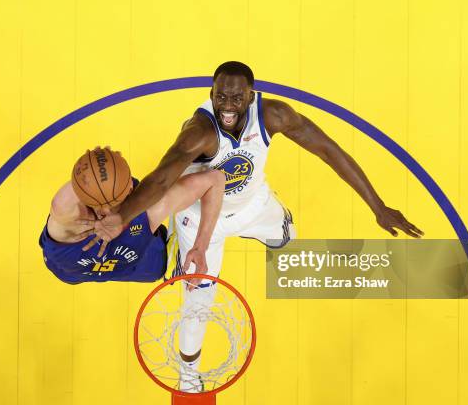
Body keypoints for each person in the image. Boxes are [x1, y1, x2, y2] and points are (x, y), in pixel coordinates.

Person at [80, 61, 424, 391]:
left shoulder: (274, 115)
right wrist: (121, 217)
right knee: (197, 306)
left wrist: (377, 207)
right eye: (220, 97)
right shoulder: (198, 132)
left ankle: (266, 226)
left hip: (254, 205)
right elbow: (160, 180)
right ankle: (188, 374)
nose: (227, 106)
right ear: (211, 93)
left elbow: (328, 150)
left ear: (251, 95)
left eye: (236, 98)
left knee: (288, 240)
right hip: (201, 222)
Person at [39, 148, 225, 286]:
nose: (104, 211)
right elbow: (81, 183)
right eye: (97, 203)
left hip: (145, 265)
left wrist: (200, 247)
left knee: (192, 175)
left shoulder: (152, 209)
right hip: (69, 270)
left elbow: (215, 180)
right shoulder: (68, 212)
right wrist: (96, 167)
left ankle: (173, 242)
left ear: (129, 189)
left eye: (110, 203)